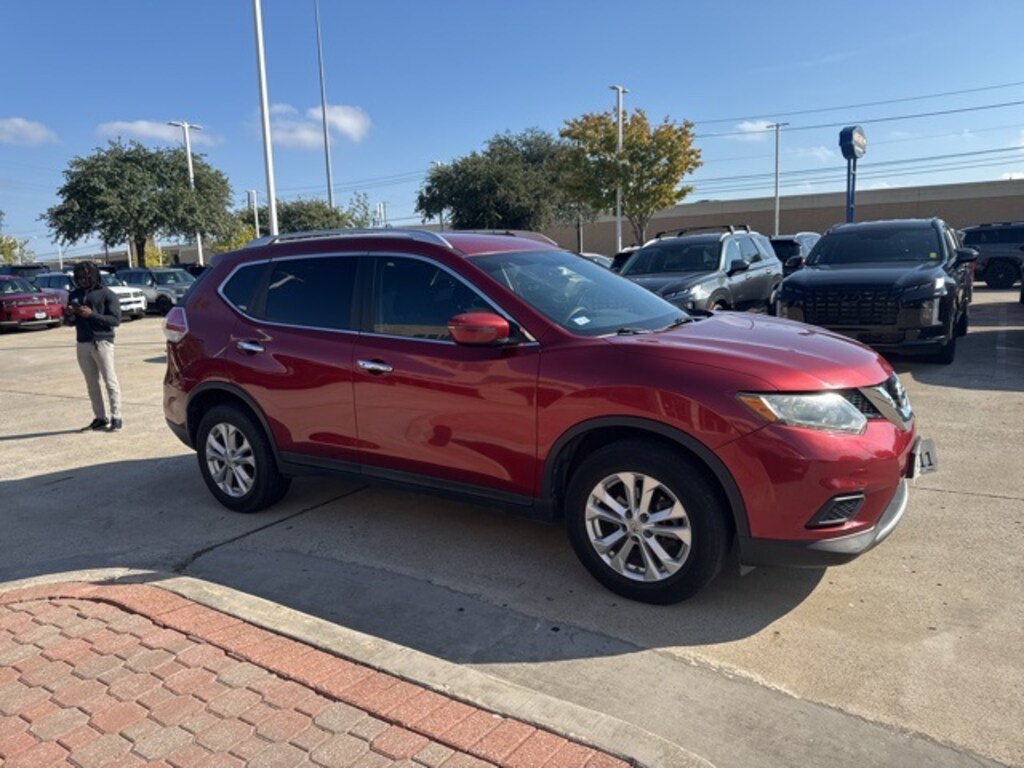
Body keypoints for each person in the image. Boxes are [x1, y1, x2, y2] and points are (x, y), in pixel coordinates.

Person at [65, 261, 123, 431]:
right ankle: (100, 417)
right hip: (82, 342)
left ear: (94, 275)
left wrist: (92, 315)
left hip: (102, 342)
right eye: (79, 277)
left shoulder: (106, 294)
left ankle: (117, 416)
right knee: (91, 384)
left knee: (110, 381)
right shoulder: (74, 294)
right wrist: (69, 315)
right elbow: (70, 322)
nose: (82, 280)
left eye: (85, 276)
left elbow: (115, 320)